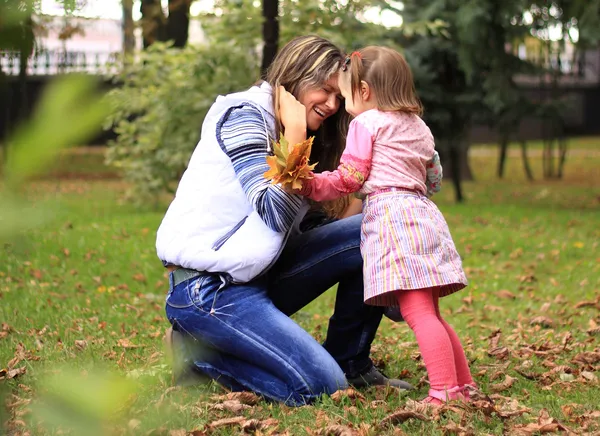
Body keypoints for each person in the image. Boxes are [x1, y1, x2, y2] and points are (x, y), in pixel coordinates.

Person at [156, 35, 413, 407]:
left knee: (375, 226)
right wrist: (294, 137)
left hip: (258, 276)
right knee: (322, 387)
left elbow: (309, 229)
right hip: (208, 290)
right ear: (295, 76)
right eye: (324, 91)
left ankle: (351, 361)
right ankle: (197, 353)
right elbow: (272, 211)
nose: (332, 104)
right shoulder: (245, 117)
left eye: (339, 97)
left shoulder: (305, 135)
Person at [289, 46, 475, 405]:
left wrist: (310, 183)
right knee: (432, 312)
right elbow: (433, 178)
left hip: (391, 219)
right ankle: (462, 385)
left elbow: (350, 178)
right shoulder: (419, 125)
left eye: (345, 94)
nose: (342, 104)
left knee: (418, 313)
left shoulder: (366, 123)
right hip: (423, 216)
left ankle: (443, 392)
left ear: (364, 91)